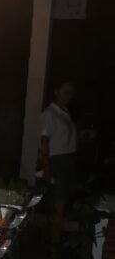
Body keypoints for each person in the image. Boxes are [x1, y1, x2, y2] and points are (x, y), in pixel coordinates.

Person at [40, 80, 78, 236]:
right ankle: (54, 246)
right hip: (57, 161)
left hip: (68, 160)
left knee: (61, 203)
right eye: (65, 91)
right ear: (56, 91)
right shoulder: (49, 114)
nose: (68, 96)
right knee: (58, 204)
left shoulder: (64, 112)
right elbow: (44, 141)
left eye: (71, 92)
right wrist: (46, 167)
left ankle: (55, 240)